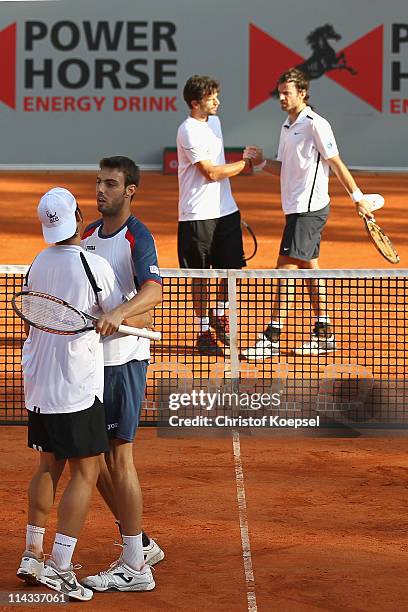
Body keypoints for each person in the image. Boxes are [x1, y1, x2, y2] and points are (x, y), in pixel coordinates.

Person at [16, 187, 128, 601]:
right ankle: (61, 567)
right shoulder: (92, 263)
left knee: (48, 464)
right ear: (79, 216)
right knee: (88, 469)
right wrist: (115, 318)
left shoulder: (37, 262)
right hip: (76, 386)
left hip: (39, 383)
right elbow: (117, 309)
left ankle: (32, 554)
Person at [242, 68, 374, 361]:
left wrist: (358, 198)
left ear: (302, 93)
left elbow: (336, 163)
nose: (281, 97)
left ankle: (272, 337)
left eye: (287, 92)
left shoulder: (316, 124)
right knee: (310, 270)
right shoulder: (287, 126)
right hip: (294, 209)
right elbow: (284, 166)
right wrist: (262, 163)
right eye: (280, 92)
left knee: (284, 268)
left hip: (309, 209)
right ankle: (324, 332)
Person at [80, 156, 163, 593]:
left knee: (117, 457)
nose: (100, 190)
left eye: (110, 184)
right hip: (92, 361)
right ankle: (140, 543)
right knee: (92, 459)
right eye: (98, 182)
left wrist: (119, 313)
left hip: (125, 359)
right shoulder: (90, 234)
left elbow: (153, 289)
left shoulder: (137, 236)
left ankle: (135, 566)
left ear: (130, 190)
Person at [177, 74, 254, 356]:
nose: (217, 101)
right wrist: (245, 163)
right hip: (197, 215)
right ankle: (203, 331)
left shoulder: (216, 122)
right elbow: (211, 173)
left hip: (226, 212)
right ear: (196, 103)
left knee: (231, 270)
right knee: (201, 277)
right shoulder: (187, 130)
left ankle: (220, 313)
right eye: (211, 98)